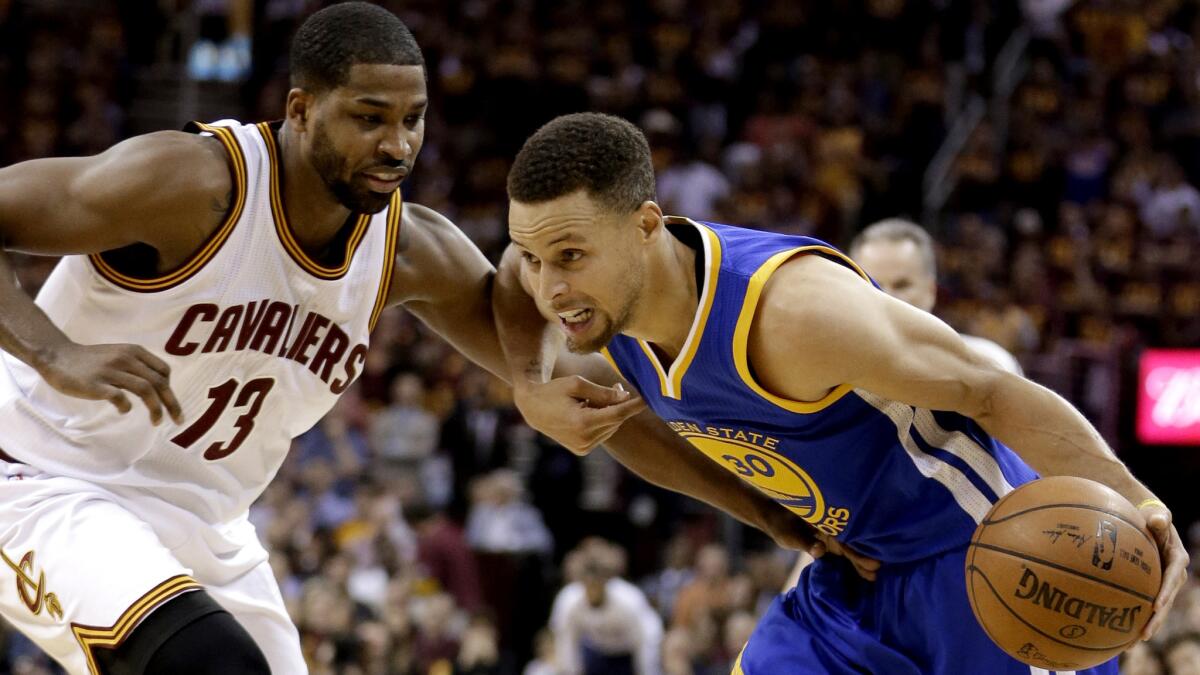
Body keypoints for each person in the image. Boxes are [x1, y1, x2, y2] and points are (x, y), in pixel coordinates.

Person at [0, 6, 816, 673]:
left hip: (206, 521)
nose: (397, 145)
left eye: (413, 120)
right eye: (369, 118)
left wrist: (767, 512)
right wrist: (53, 351)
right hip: (38, 477)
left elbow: (598, 407)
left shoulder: (407, 248)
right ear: (299, 110)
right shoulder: (191, 184)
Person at [494, 112, 1190, 675]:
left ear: (645, 225)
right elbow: (504, 278)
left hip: (989, 564)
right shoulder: (582, 292)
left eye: (570, 258)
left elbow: (994, 392)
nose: (550, 287)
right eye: (536, 258)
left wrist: (1140, 500)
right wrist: (529, 384)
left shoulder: (797, 314)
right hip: (851, 570)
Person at [849, 218, 1024, 376]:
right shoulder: (831, 377)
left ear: (931, 290)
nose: (887, 296)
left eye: (902, 285)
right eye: (874, 285)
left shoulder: (990, 365)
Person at [549, 539, 663, 675]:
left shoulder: (628, 599)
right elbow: (566, 639)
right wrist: (570, 671)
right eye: (589, 584)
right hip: (594, 652)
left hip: (627, 654)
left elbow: (648, 639)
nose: (593, 589)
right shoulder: (569, 600)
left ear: (606, 582)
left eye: (597, 584)